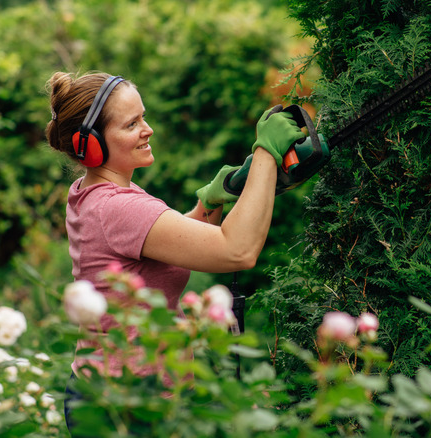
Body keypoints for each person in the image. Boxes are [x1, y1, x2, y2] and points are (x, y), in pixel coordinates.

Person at [45, 71, 305, 434]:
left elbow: (155, 247)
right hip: (128, 406)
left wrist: (208, 204)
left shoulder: (91, 192)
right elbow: (238, 251)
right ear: (89, 143)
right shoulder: (117, 207)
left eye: (143, 116)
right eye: (131, 123)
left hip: (116, 394)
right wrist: (266, 153)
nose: (147, 129)